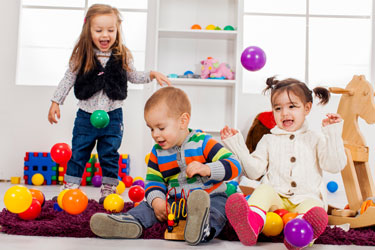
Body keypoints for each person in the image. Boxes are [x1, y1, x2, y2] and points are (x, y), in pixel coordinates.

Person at [47, 4, 171, 203]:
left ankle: (109, 188)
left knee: (109, 153)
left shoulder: (123, 55)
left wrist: (151, 75)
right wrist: (56, 101)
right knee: (79, 151)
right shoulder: (82, 54)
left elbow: (133, 76)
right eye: (99, 30)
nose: (105, 35)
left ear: (117, 30)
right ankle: (71, 186)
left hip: (113, 116)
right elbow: (68, 78)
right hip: (86, 115)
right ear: (89, 30)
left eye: (110, 30)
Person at [90, 86, 241, 245]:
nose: (155, 134)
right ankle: (130, 221)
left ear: (183, 121)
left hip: (211, 197)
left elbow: (234, 164)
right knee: (148, 206)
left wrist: (208, 169)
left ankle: (203, 228)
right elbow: (154, 182)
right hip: (177, 203)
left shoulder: (203, 142)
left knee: (219, 208)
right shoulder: (157, 153)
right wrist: (157, 202)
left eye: (161, 128)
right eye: (151, 129)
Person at [220, 77, 347, 249]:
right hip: (277, 201)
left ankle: (298, 236)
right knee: (264, 190)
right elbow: (254, 172)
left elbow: (334, 165)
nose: (284, 113)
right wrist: (237, 145)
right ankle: (252, 223)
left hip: (306, 198)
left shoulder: (316, 138)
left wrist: (332, 133)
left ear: (307, 108)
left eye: (292, 106)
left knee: (315, 207)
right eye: (278, 108)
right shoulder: (268, 140)